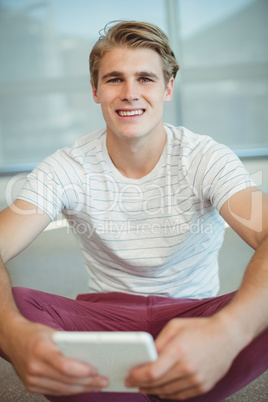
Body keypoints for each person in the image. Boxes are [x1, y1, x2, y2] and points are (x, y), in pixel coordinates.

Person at [0, 20, 267, 402]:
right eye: (114, 79)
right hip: (106, 324)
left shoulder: (206, 157)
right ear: (95, 91)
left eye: (145, 78)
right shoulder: (67, 167)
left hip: (196, 322)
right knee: (18, 305)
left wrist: (229, 332)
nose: (130, 93)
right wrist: (13, 335)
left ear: (167, 88)